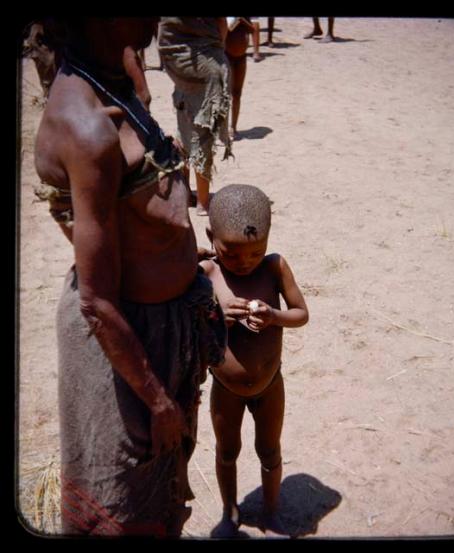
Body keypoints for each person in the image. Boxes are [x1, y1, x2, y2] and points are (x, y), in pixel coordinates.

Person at [33, 17, 227, 537]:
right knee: (122, 515)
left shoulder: (114, 73)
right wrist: (157, 399)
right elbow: (96, 301)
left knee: (162, 496)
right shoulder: (86, 127)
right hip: (125, 346)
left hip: (163, 331)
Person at [199, 184, 309, 537]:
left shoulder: (274, 267)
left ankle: (271, 511)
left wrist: (274, 316)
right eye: (231, 254)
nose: (244, 262)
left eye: (254, 252)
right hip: (225, 389)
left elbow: (301, 314)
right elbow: (191, 326)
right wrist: (217, 314)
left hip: (269, 385)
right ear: (210, 236)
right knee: (227, 450)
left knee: (269, 450)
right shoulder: (207, 274)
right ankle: (230, 512)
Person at [157, 17, 232, 216]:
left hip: (176, 63)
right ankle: (202, 202)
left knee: (184, 126)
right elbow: (222, 25)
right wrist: (217, 49)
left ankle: (184, 193)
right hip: (206, 63)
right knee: (202, 134)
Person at [224, 17, 261, 140]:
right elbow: (221, 32)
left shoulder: (244, 18)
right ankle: (222, 128)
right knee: (225, 94)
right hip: (226, 56)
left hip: (241, 58)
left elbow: (253, 29)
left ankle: (233, 127)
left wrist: (241, 20)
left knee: (237, 93)